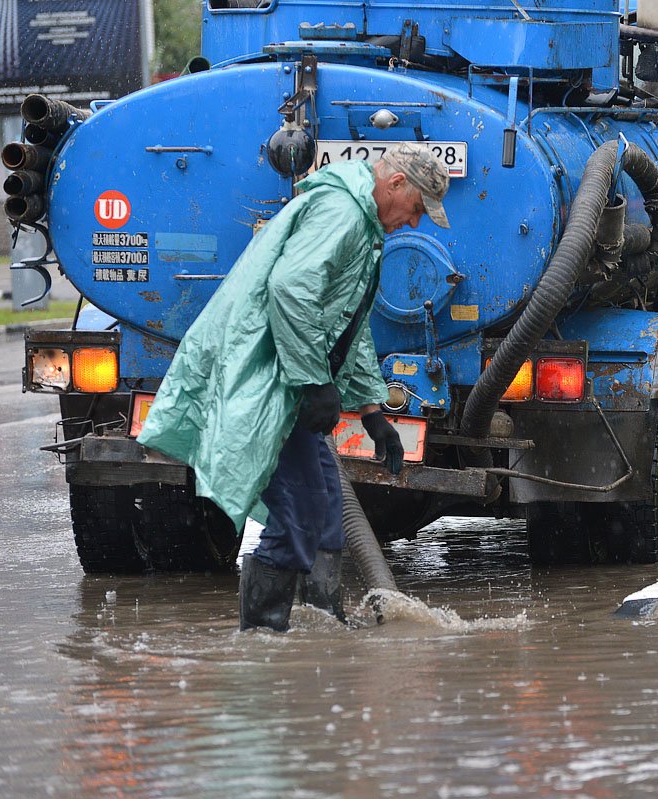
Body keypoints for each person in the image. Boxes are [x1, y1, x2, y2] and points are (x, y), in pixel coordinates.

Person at [137, 142, 451, 632]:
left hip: (295, 381)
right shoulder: (343, 214)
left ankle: (320, 630)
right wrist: (312, 381)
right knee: (301, 512)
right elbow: (290, 288)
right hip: (273, 378)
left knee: (326, 510)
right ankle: (264, 641)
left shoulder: (362, 223)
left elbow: (350, 320)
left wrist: (371, 410)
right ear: (394, 185)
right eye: (415, 210)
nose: (414, 224)